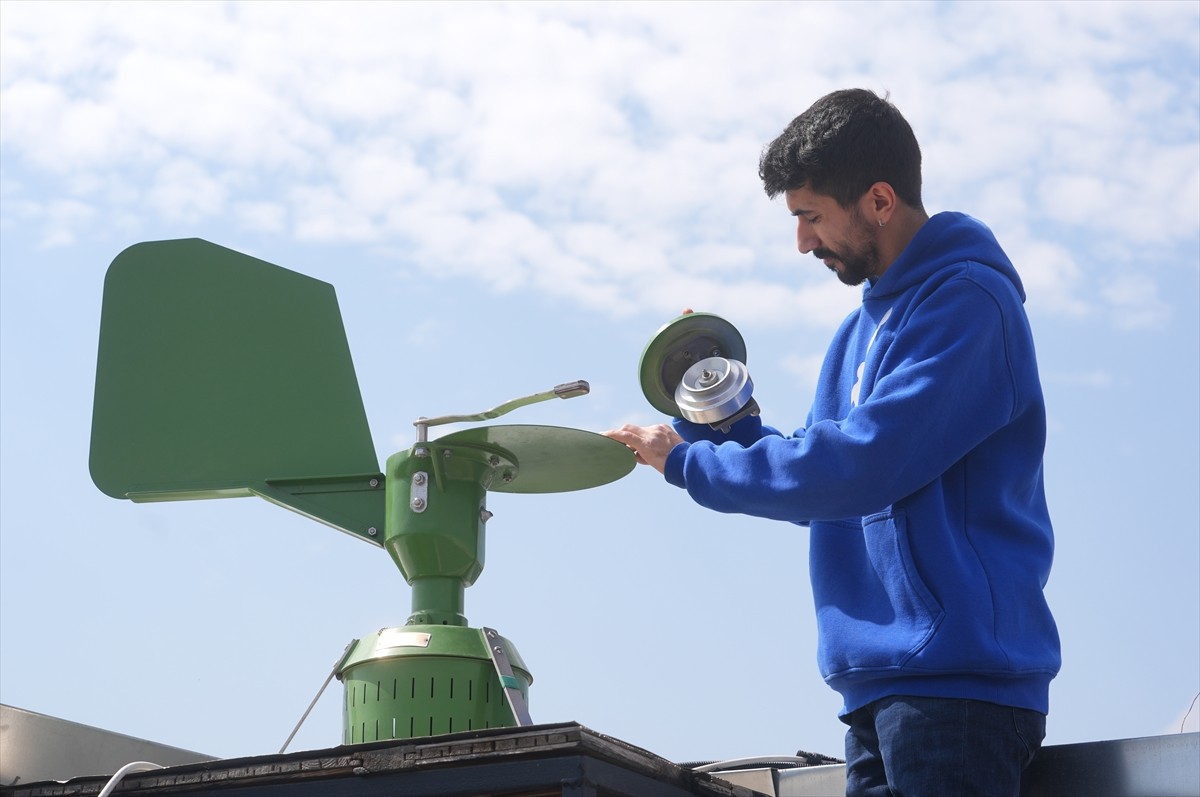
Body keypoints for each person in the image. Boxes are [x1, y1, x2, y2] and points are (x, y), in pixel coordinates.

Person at [606, 89, 1061, 796]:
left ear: (879, 200)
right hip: (875, 691)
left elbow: (863, 465)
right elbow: (826, 483)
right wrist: (715, 415)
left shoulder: (970, 304)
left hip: (958, 691)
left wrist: (689, 462)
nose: (802, 242)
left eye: (811, 216)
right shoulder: (858, 331)